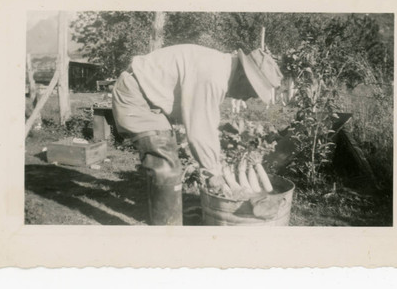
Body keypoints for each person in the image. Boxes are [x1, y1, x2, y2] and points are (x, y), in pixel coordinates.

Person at [112, 44, 283, 225]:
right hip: (135, 97)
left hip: (148, 100)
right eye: (252, 90)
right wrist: (213, 174)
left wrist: (213, 164)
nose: (248, 97)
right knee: (165, 166)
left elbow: (206, 121)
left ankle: (166, 216)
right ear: (243, 76)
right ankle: (168, 230)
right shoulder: (213, 76)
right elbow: (200, 131)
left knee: (166, 162)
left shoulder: (219, 67)